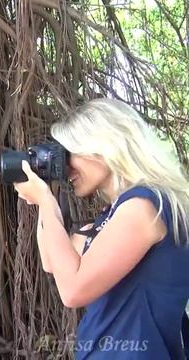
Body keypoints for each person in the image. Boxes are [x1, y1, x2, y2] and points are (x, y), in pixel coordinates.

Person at [13, 98, 189, 359]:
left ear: (102, 148)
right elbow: (53, 262)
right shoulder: (116, 214)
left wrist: (46, 201)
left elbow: (73, 290)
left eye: (69, 153)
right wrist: (43, 195)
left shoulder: (145, 206)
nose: (67, 167)